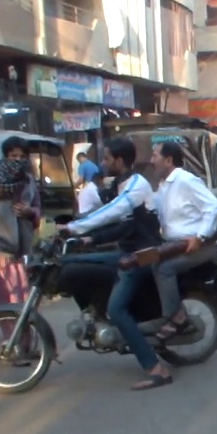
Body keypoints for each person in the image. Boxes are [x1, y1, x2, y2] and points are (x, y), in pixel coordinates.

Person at [60, 137, 173, 391]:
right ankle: (95, 313)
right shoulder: (119, 185)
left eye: (107, 158)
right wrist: (90, 239)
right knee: (72, 265)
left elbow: (111, 213)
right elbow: (122, 225)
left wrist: (73, 228)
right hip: (128, 252)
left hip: (145, 255)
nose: (102, 163)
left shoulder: (136, 186)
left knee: (118, 309)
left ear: (120, 161)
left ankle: (157, 369)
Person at [146, 140, 217, 344]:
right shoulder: (164, 186)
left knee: (163, 269)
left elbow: (214, 207)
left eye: (155, 156)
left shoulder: (185, 180)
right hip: (174, 246)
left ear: (169, 160)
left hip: (198, 247)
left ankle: (176, 318)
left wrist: (200, 237)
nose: (151, 160)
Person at [0, 138, 40, 354]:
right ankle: (12, 346)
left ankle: (27, 347)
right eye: (14, 156)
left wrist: (30, 212)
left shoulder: (29, 181)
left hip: (24, 253)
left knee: (26, 303)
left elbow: (38, 210)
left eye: (22, 157)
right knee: (6, 304)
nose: (18, 161)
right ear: (6, 157)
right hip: (1, 255)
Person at [76, 149, 107, 214]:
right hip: (97, 188)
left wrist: (74, 186)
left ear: (79, 158)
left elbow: (80, 180)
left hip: (88, 186)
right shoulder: (93, 164)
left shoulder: (82, 165)